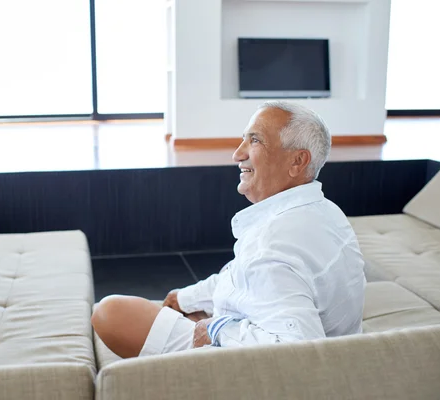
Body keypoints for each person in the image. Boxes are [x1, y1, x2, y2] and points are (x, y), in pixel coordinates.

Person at [91, 101, 366, 359]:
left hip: (250, 362)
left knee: (110, 313)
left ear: (297, 162)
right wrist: (187, 298)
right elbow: (242, 277)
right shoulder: (326, 212)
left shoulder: (273, 246)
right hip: (269, 327)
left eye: (255, 140)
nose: (237, 153)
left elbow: (296, 352)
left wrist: (214, 328)